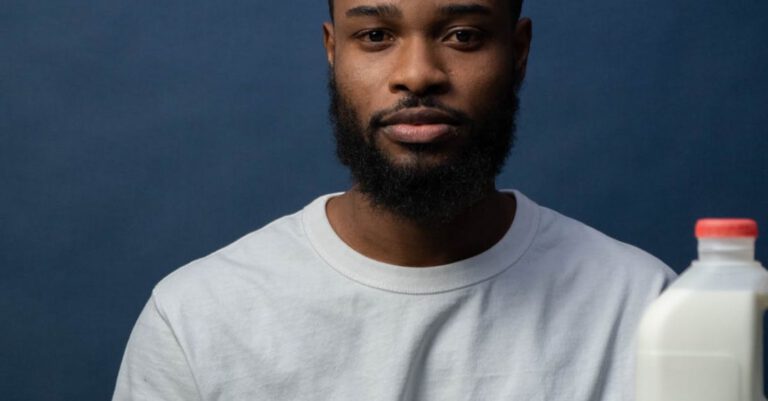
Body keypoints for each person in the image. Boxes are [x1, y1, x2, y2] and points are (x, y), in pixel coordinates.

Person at [113, 0, 676, 399]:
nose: (417, 76)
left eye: (463, 35)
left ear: (518, 51)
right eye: (376, 36)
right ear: (334, 51)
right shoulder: (199, 318)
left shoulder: (645, 308)